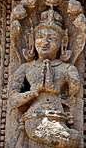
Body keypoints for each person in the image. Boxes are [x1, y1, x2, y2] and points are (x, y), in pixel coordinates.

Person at [9, 9, 80, 148]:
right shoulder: (26, 67)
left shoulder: (66, 68)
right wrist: (34, 92)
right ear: (32, 40)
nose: (45, 42)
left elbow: (74, 91)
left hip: (59, 119)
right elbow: (13, 100)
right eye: (40, 37)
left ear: (62, 42)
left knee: (75, 139)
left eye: (52, 38)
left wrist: (73, 79)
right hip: (33, 119)